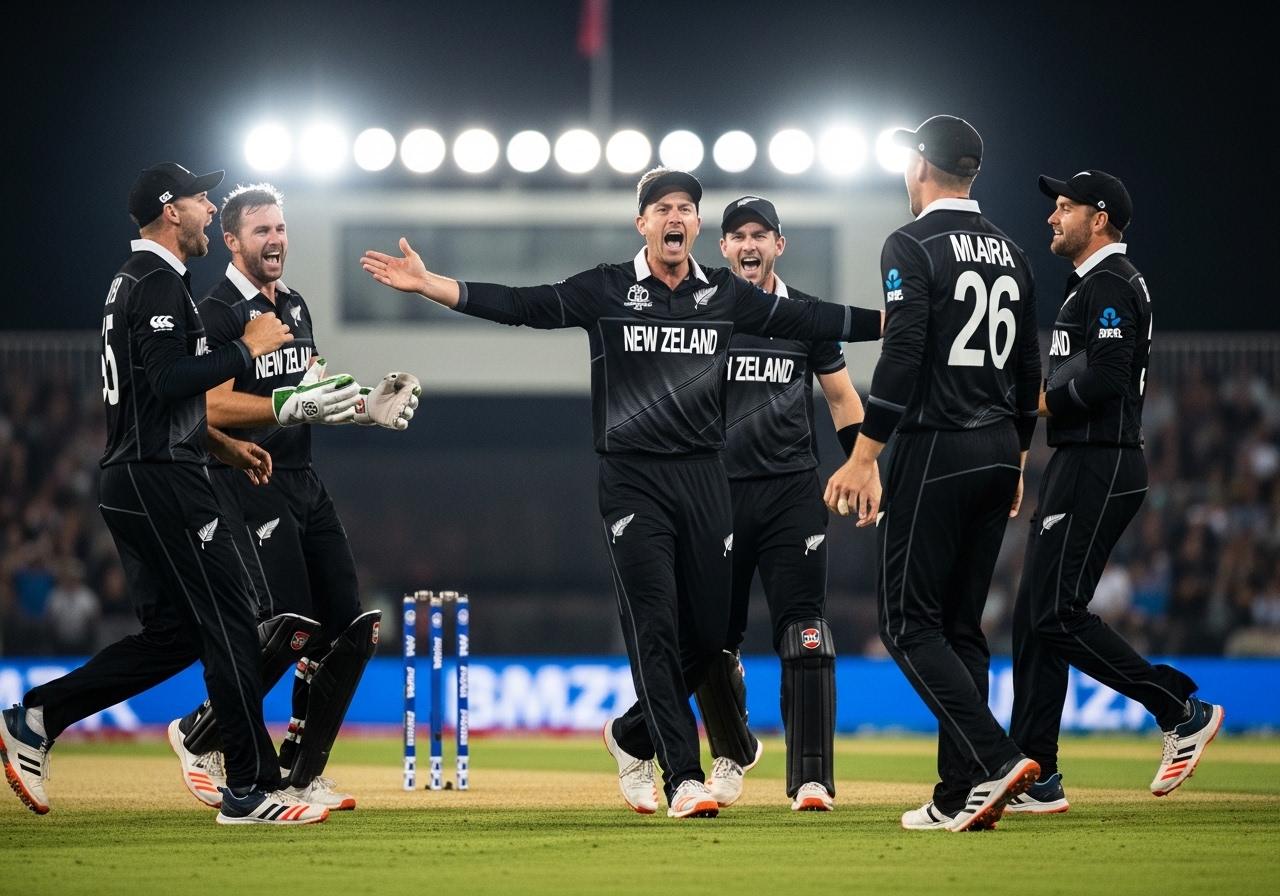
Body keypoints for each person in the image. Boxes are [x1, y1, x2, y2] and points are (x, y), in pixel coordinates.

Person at [362, 168, 883, 818]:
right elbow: (523, 305)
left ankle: (629, 737)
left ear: (696, 225)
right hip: (635, 478)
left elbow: (816, 317)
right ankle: (684, 776)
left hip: (713, 484)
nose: (674, 217)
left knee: (706, 641)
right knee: (661, 626)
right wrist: (434, 286)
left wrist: (903, 321)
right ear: (644, 222)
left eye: (685, 207)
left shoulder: (723, 296)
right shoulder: (608, 288)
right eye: (662, 207)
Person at [0, 163, 329, 825]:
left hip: (139, 472)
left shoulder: (145, 281)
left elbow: (155, 395)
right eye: (200, 198)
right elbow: (173, 377)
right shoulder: (154, 282)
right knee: (233, 621)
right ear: (168, 210)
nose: (210, 206)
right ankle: (248, 789)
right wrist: (246, 346)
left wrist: (223, 445)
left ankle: (37, 716)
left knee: (175, 634)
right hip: (160, 477)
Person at [165, 183, 420, 812]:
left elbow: (308, 389)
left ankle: (302, 776)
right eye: (261, 231)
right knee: (290, 626)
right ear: (231, 240)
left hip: (305, 480)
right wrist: (288, 404)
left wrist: (363, 406)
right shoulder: (218, 310)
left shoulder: (295, 306)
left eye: (280, 228)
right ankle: (201, 735)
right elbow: (206, 405)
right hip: (247, 478)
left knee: (351, 629)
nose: (276, 240)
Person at [825, 116, 1043, 832]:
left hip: (935, 449)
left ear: (920, 166)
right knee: (962, 627)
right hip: (994, 452)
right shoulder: (1013, 250)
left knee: (909, 625)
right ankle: (960, 794)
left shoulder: (911, 242)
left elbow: (904, 351)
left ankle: (991, 757)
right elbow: (1028, 368)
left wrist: (865, 453)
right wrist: (1016, 459)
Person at [1004, 171, 1222, 814]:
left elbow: (1109, 375)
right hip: (1084, 461)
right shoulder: (1094, 284)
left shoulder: (1111, 284)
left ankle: (1179, 709)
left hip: (1101, 462)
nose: (1052, 217)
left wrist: (1041, 402)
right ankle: (1037, 773)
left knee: (1055, 614)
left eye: (1065, 207)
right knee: (1033, 618)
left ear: (1099, 219)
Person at [693, 196, 864, 812]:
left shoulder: (805, 315)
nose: (748, 245)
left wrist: (862, 464)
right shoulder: (704, 312)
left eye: (759, 235)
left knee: (806, 634)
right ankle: (731, 753)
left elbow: (843, 399)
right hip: (717, 493)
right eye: (737, 235)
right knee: (712, 640)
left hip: (793, 491)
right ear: (723, 248)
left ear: (778, 245)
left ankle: (812, 779)